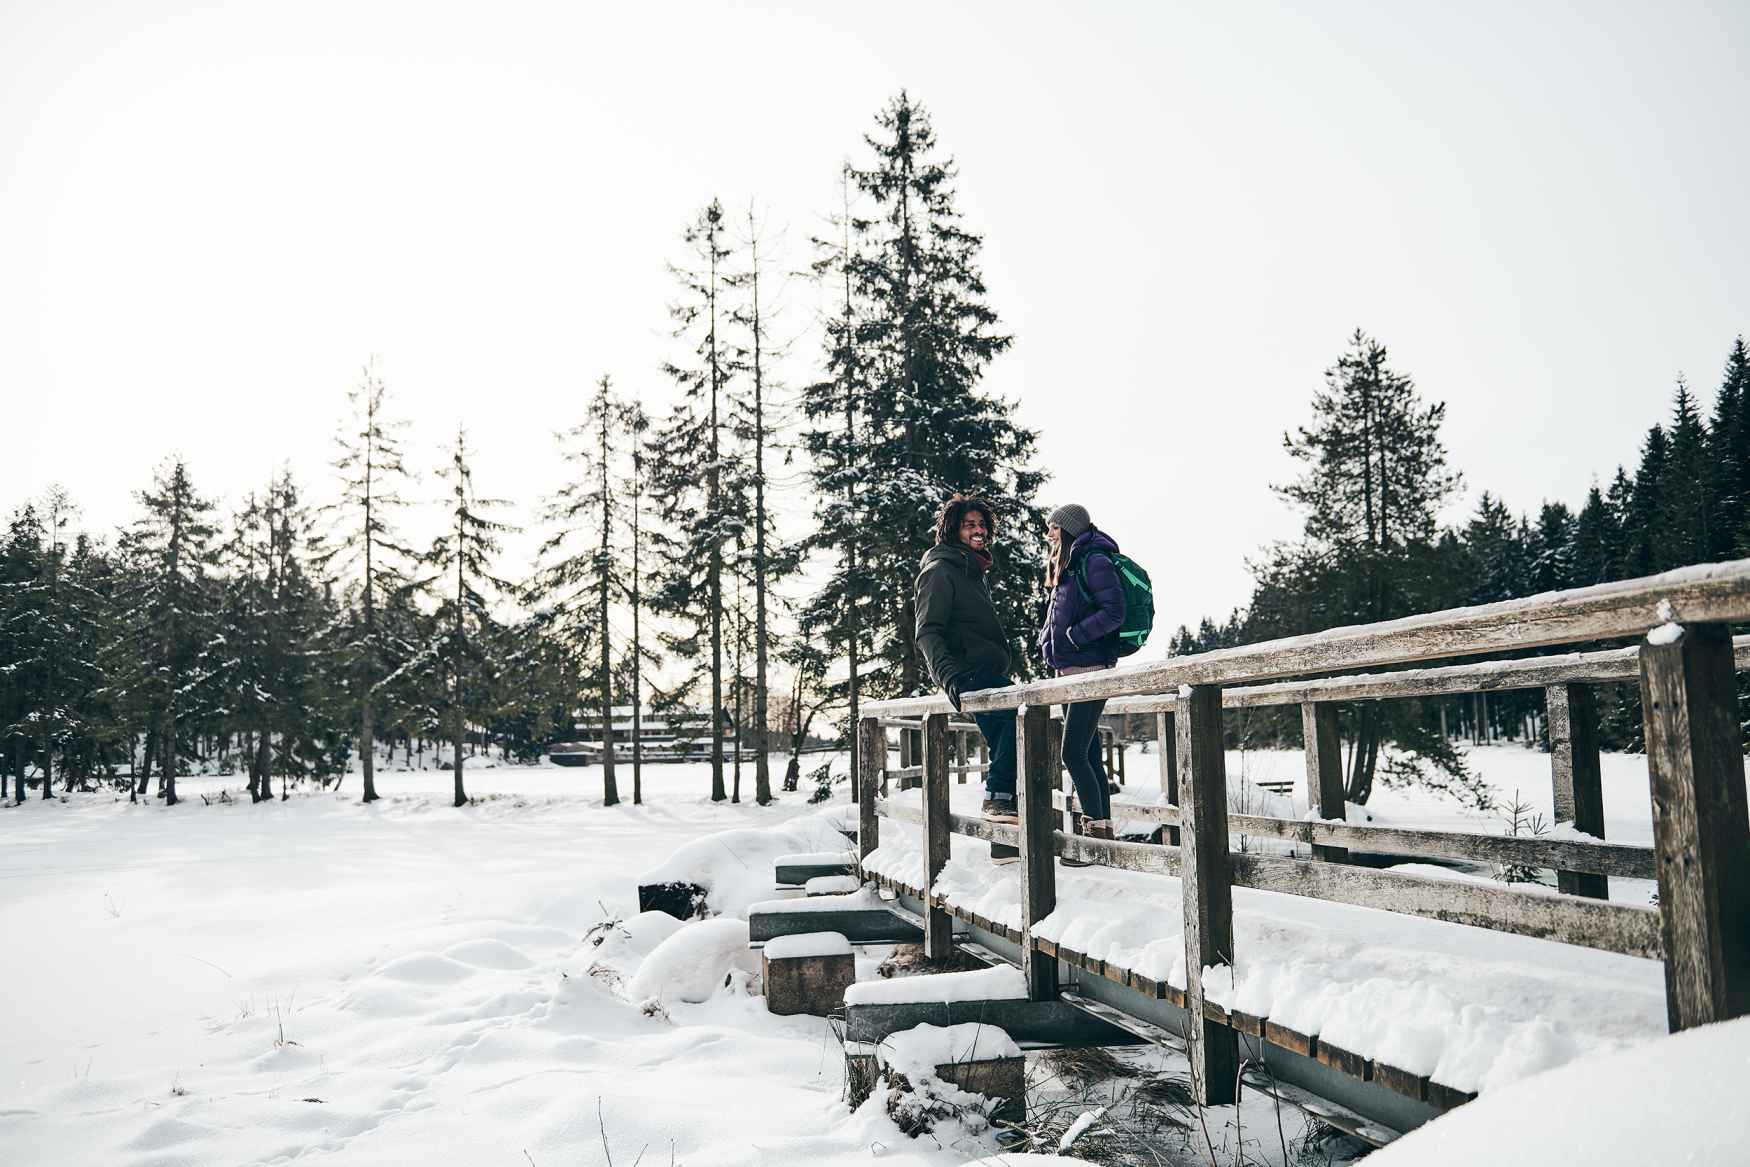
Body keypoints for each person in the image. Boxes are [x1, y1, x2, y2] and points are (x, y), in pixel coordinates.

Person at [914, 493, 1020, 855]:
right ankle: (998, 798)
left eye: (981, 525)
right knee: (1020, 722)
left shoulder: (970, 569)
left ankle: (1004, 844)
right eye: (969, 525)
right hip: (968, 674)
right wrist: (950, 678)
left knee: (1014, 739)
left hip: (986, 670)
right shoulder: (941, 569)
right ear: (953, 530)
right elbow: (927, 630)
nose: (977, 531)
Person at [1036, 503, 1125, 842]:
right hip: (1068, 671)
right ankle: (1102, 835)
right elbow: (1059, 615)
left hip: (1090, 670)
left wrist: (1074, 636)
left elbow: (1114, 611)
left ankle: (1093, 834)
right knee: (1086, 753)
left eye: (1055, 528)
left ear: (1070, 529)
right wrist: (1048, 643)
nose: (1049, 534)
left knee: (1071, 753)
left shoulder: (1094, 560)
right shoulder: (1069, 565)